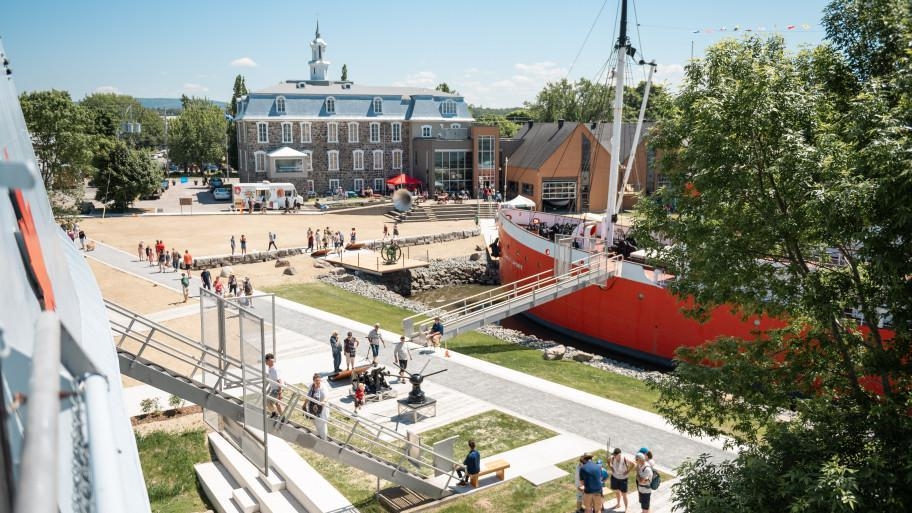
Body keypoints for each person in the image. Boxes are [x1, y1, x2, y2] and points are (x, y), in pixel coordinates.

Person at [304, 373, 328, 438]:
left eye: (319, 380)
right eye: (316, 381)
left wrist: (323, 402)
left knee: (322, 424)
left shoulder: (323, 387)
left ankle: (324, 438)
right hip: (312, 408)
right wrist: (304, 405)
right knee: (314, 421)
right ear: (313, 381)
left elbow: (326, 397)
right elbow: (308, 395)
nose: (317, 382)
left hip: (322, 409)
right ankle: (320, 435)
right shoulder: (311, 386)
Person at [265, 353, 285, 420]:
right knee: (275, 403)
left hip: (277, 389)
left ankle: (277, 414)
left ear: (270, 360)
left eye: (266, 360)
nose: (265, 362)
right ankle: (280, 416)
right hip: (274, 389)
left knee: (269, 402)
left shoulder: (274, 369)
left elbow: (279, 381)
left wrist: (280, 392)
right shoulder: (270, 369)